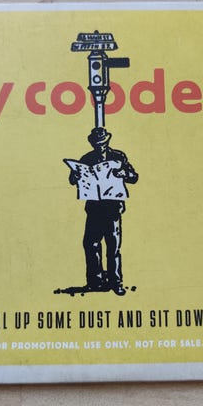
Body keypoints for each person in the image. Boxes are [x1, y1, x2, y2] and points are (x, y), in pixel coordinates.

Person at [69, 127, 138, 296]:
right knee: (90, 244)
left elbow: (134, 176)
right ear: (92, 144)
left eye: (102, 143)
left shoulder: (118, 157)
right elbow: (72, 179)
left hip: (112, 208)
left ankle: (116, 283)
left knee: (113, 247)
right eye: (97, 144)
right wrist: (75, 177)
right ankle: (95, 281)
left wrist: (124, 173)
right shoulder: (87, 158)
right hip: (94, 209)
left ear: (107, 142)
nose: (100, 147)